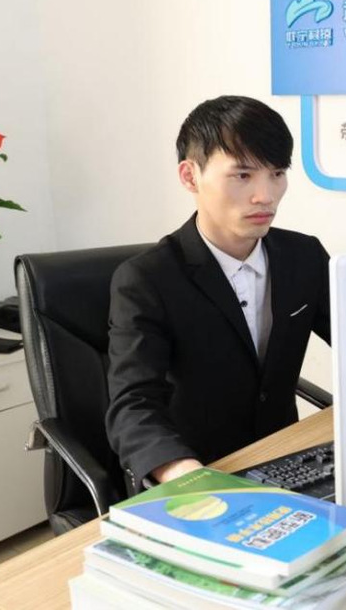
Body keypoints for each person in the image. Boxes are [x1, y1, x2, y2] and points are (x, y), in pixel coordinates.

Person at [105, 96, 331, 491]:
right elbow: (133, 404)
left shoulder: (304, 256)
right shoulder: (146, 279)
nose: (265, 195)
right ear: (190, 176)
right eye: (242, 175)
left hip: (288, 460)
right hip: (199, 472)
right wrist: (181, 472)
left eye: (277, 173)